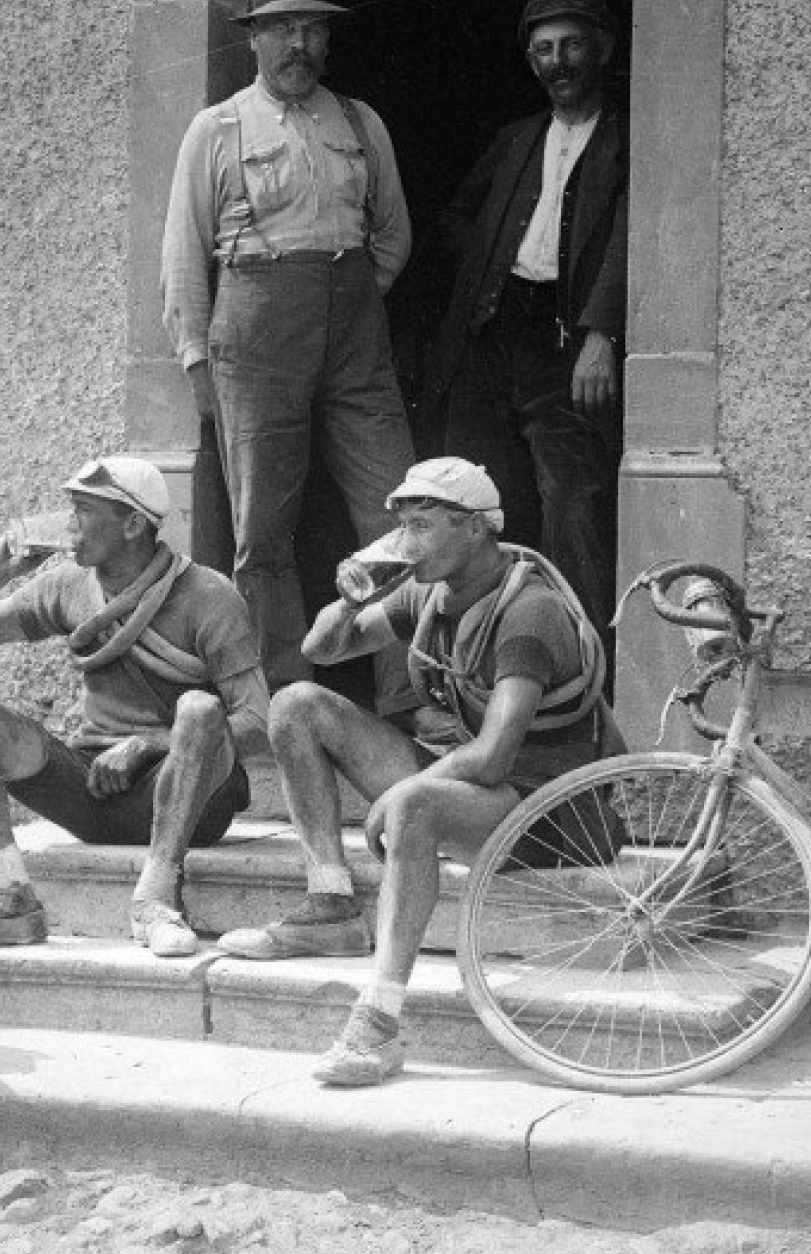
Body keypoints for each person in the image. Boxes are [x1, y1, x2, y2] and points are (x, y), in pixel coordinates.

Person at [228, 457, 623, 1088]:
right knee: (295, 704)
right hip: (482, 786)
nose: (406, 543)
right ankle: (330, 899)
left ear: (475, 528)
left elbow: (494, 755)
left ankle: (378, 1024)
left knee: (417, 806)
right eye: (402, 528)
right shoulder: (427, 593)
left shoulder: (530, 612)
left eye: (423, 526)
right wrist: (352, 594)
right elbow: (321, 650)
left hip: (557, 808)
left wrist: (411, 788)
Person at [161, 0, 418, 709]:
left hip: (353, 332)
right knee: (262, 529)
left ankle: (410, 694)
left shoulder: (361, 123)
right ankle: (285, 697)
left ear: (329, 40)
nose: (297, 44)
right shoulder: (216, 130)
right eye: (280, 29)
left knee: (398, 509)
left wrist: (341, 296)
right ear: (253, 40)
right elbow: (182, 254)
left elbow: (393, 235)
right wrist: (197, 361)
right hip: (253, 336)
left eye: (311, 28)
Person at [0, 455, 268, 957]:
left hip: (188, 799)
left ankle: (154, 899)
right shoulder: (67, 584)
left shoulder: (209, 595)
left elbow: (257, 722)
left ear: (132, 524)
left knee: (199, 708)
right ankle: (11, 895)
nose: (69, 525)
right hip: (92, 788)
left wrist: (149, 744)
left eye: (84, 510)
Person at [425, 0, 629, 645]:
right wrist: (486, 268)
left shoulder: (628, 140)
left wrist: (602, 332)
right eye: (543, 50)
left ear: (602, 49)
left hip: (564, 346)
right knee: (474, 506)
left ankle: (581, 672)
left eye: (571, 45)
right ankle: (476, 665)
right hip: (493, 335)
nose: (558, 61)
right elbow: (456, 219)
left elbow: (634, 236)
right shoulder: (517, 140)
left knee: (573, 508)